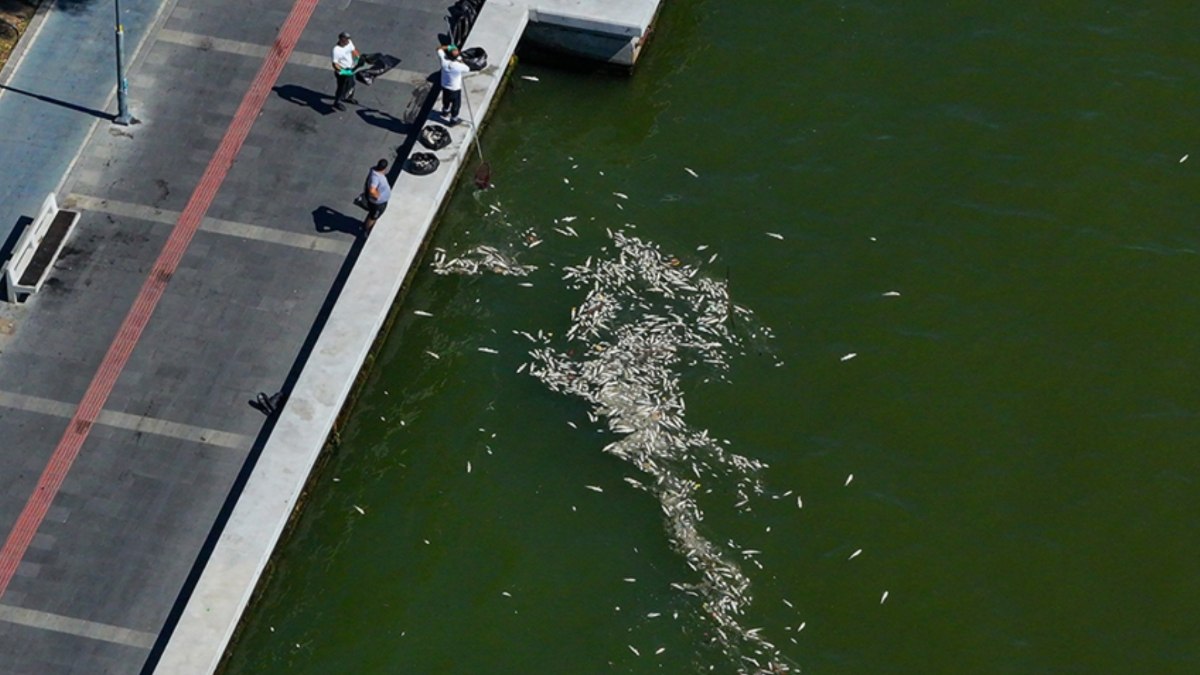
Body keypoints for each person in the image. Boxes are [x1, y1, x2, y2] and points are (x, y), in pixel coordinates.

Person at [436, 44, 471, 125]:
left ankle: (445, 112)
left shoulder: (444, 62)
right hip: (455, 90)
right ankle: (453, 120)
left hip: (445, 87)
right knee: (456, 105)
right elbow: (468, 68)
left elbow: (438, 49)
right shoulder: (458, 66)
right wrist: (461, 61)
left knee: (446, 101)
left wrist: (449, 47)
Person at [332, 32, 360, 111]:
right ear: (341, 40)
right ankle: (337, 102)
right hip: (342, 72)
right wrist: (344, 72)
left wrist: (358, 58)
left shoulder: (349, 42)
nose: (348, 41)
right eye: (346, 40)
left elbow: (353, 50)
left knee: (352, 84)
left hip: (350, 68)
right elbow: (335, 64)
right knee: (341, 87)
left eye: (348, 39)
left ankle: (349, 97)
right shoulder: (336, 50)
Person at [362, 159, 391, 234]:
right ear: (385, 168)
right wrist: (377, 197)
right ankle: (366, 231)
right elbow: (372, 190)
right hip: (377, 204)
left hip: (380, 202)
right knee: (373, 217)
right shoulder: (375, 177)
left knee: (373, 214)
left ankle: (367, 226)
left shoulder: (376, 172)